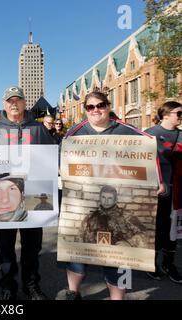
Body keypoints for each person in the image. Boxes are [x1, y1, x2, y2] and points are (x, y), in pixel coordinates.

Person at [62, 91, 164, 300]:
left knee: (118, 256)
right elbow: (60, 159)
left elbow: (151, 149)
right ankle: (73, 293)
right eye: (91, 107)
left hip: (120, 201)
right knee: (76, 251)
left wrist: (159, 180)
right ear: (85, 110)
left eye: (100, 105)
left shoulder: (127, 130)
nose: (96, 110)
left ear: (108, 106)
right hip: (85, 205)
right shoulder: (74, 133)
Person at [0, 86, 55, 300]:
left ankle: (31, 285)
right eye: (10, 100)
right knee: (5, 246)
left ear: (25, 103)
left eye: (18, 100)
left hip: (34, 194)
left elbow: (54, 157)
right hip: (4, 196)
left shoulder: (38, 129)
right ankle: (8, 286)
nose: (14, 103)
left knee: (32, 246)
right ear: (4, 104)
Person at [145, 101, 182, 284]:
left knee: (174, 229)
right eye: (179, 113)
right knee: (159, 228)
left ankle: (169, 264)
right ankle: (152, 263)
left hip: (178, 190)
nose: (181, 116)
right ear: (165, 114)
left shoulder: (181, 134)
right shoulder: (150, 134)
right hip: (158, 191)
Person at [80, 185, 148, 247]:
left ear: (115, 200)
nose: (106, 201)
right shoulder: (90, 217)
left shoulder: (126, 216)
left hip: (119, 257)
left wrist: (129, 243)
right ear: (100, 198)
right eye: (103, 197)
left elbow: (144, 234)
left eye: (109, 198)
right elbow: (80, 238)